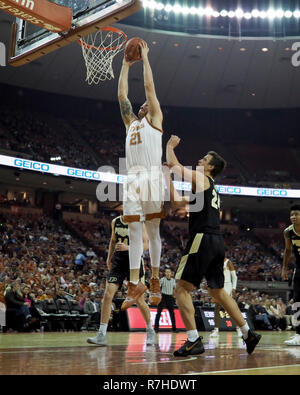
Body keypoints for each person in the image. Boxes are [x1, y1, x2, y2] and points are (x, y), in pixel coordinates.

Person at [165, 135, 261, 356]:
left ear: (210, 168)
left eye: (203, 159)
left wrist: (169, 147)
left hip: (203, 238)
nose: (199, 160)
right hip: (217, 241)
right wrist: (167, 177)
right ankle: (248, 333)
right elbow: (177, 202)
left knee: (180, 289)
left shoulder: (203, 180)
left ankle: (193, 340)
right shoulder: (209, 188)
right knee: (218, 292)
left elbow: (175, 165)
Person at [118, 40, 164, 310]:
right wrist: (125, 65)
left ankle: (155, 277)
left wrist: (145, 60)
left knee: (153, 229)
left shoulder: (155, 119)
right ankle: (136, 283)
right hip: (132, 179)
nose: (145, 103)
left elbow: (149, 88)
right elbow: (123, 97)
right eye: (144, 104)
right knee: (134, 231)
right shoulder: (131, 123)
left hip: (152, 177)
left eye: (149, 102)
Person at [87, 215, 156, 346]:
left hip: (134, 262)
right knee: (108, 295)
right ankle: (101, 334)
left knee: (140, 300)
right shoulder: (115, 221)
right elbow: (113, 240)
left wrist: (128, 248)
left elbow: (146, 244)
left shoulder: (140, 222)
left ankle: (150, 330)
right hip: (119, 262)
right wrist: (109, 257)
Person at [281, 204, 300, 345]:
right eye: (291, 214)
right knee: (297, 301)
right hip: (299, 268)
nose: (293, 217)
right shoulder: (288, 231)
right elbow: (287, 251)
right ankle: (299, 334)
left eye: (296, 214)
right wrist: (284, 268)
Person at [210, 257, 241, 337]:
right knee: (217, 308)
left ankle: (239, 328)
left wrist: (234, 288)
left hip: (227, 286)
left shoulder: (228, 262)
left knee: (231, 309)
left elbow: (234, 277)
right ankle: (216, 330)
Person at [154, 268, 177, 332]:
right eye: (166, 272)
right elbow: (158, 287)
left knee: (172, 313)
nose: (168, 273)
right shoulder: (162, 279)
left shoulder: (173, 280)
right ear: (165, 273)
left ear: (171, 273)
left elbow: (175, 288)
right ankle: (156, 328)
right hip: (163, 297)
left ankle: (174, 328)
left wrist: (174, 296)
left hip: (170, 297)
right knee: (159, 313)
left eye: (169, 272)